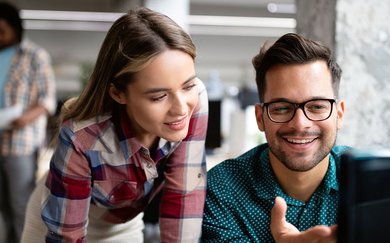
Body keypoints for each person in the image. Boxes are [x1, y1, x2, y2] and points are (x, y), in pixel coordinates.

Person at [21, 7, 208, 243]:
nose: (181, 108)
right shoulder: (83, 137)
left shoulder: (196, 102)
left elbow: (183, 195)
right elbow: (66, 236)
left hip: (122, 223)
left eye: (188, 86)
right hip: (61, 215)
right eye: (158, 97)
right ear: (118, 93)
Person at [201, 33, 350, 243]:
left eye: (317, 106)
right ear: (260, 118)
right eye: (281, 108)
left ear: (339, 114)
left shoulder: (375, 183)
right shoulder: (222, 189)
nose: (300, 124)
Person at [0, 2, 56, 243]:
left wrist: (23, 118)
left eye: (2, 31)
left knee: (21, 206)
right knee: (2, 209)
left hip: (20, 145)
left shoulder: (35, 56)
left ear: (16, 29)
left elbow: (47, 101)